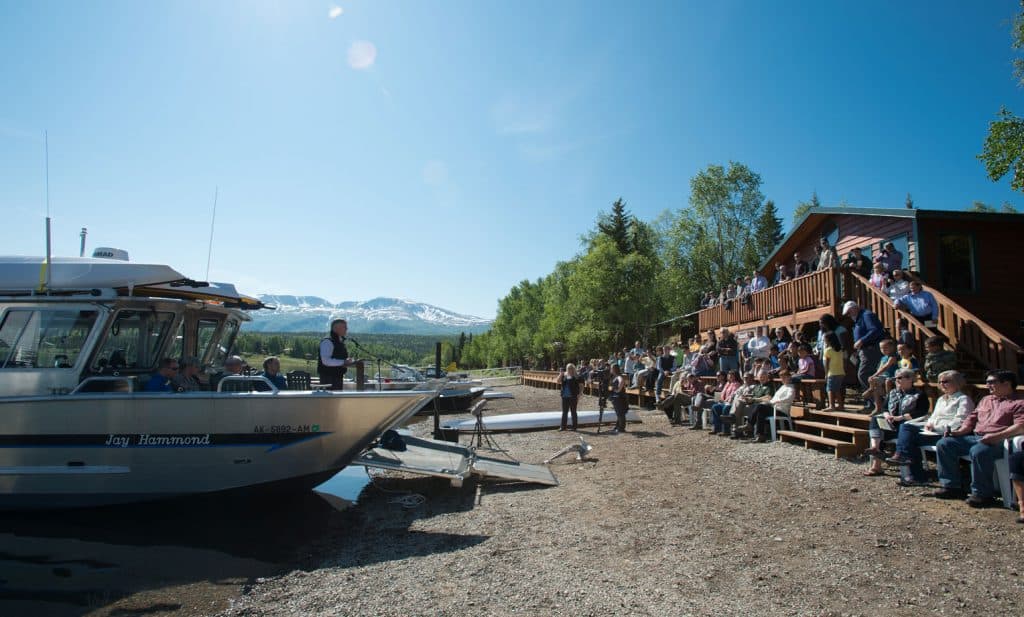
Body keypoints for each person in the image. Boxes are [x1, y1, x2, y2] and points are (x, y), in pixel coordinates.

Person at [932, 370, 1024, 506]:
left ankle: (982, 494)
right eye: (987, 382)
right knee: (945, 444)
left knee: (979, 451)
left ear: (1007, 384)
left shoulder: (1018, 403)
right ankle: (952, 487)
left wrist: (995, 437)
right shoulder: (986, 400)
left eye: (992, 382)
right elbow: (971, 419)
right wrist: (959, 432)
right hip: (976, 436)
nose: (988, 385)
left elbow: (1020, 427)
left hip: (1001, 440)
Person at [886, 370, 974, 485]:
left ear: (956, 382)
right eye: (940, 382)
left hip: (948, 434)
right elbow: (933, 416)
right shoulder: (942, 399)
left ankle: (906, 460)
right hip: (932, 432)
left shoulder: (963, 399)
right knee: (906, 428)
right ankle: (911, 468)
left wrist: (936, 427)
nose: (942, 384)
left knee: (909, 439)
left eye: (945, 381)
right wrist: (929, 424)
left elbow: (960, 421)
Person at [863, 368, 930, 476]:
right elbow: (884, 408)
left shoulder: (919, 394)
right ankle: (875, 448)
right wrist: (887, 415)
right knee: (876, 419)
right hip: (891, 424)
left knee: (895, 429)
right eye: (895, 378)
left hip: (907, 426)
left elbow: (922, 412)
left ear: (910, 379)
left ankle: (878, 465)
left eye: (899, 378)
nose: (896, 380)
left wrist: (901, 417)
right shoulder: (893, 392)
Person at [843, 300, 884, 410]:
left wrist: (862, 340)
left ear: (854, 308)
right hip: (864, 350)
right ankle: (872, 403)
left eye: (849, 312)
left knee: (864, 374)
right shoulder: (859, 319)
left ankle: (876, 402)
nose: (848, 315)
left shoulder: (866, 315)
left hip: (870, 349)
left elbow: (875, 330)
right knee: (866, 375)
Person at [749, 371, 796, 442]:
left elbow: (789, 398)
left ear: (789, 377)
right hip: (774, 408)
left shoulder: (791, 388)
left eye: (785, 377)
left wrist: (777, 401)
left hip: (781, 410)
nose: (783, 379)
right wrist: (768, 402)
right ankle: (760, 435)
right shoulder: (782, 387)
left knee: (759, 407)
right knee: (760, 412)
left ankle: (750, 425)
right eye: (782, 378)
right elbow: (773, 399)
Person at [318, 318, 357, 390]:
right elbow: (326, 361)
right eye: (344, 327)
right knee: (329, 401)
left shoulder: (339, 341)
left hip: (337, 377)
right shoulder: (327, 342)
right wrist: (343, 362)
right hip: (328, 379)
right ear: (336, 328)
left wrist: (348, 361)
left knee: (337, 400)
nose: (347, 329)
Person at [865, 339, 898, 414]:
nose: (883, 350)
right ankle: (878, 408)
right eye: (881, 348)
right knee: (874, 384)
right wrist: (873, 376)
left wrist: (874, 375)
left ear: (892, 348)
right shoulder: (883, 358)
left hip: (891, 376)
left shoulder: (893, 357)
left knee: (876, 380)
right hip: (883, 377)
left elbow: (885, 367)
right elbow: (879, 368)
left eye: (885, 348)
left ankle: (872, 390)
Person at [709, 370, 744, 436]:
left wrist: (725, 401)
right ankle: (717, 428)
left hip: (732, 403)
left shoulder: (737, 384)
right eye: (729, 375)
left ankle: (726, 430)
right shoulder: (728, 383)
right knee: (715, 407)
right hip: (725, 402)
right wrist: (721, 400)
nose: (730, 376)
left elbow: (732, 395)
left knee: (725, 409)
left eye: (732, 375)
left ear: (735, 376)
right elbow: (723, 393)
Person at [822, 332, 846, 410]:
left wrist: (826, 374)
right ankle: (840, 405)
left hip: (832, 373)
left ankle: (831, 406)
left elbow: (826, 364)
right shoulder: (840, 350)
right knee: (837, 389)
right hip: (841, 372)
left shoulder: (828, 350)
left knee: (830, 389)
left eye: (825, 340)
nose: (824, 341)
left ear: (828, 340)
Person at [556, 363, 583, 431]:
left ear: (573, 369)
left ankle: (574, 427)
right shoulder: (564, 375)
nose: (569, 369)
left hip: (573, 396)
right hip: (564, 396)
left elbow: (581, 386)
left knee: (573, 412)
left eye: (570, 368)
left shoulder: (577, 376)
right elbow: (558, 381)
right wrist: (560, 374)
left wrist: (580, 394)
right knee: (564, 412)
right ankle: (563, 426)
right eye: (568, 368)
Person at [608, 364, 629, 434]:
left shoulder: (619, 376)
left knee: (620, 413)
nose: (610, 369)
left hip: (619, 397)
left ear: (614, 369)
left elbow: (622, 381)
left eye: (611, 368)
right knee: (618, 413)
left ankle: (621, 428)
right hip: (616, 397)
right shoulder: (615, 376)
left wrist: (618, 390)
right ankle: (617, 426)